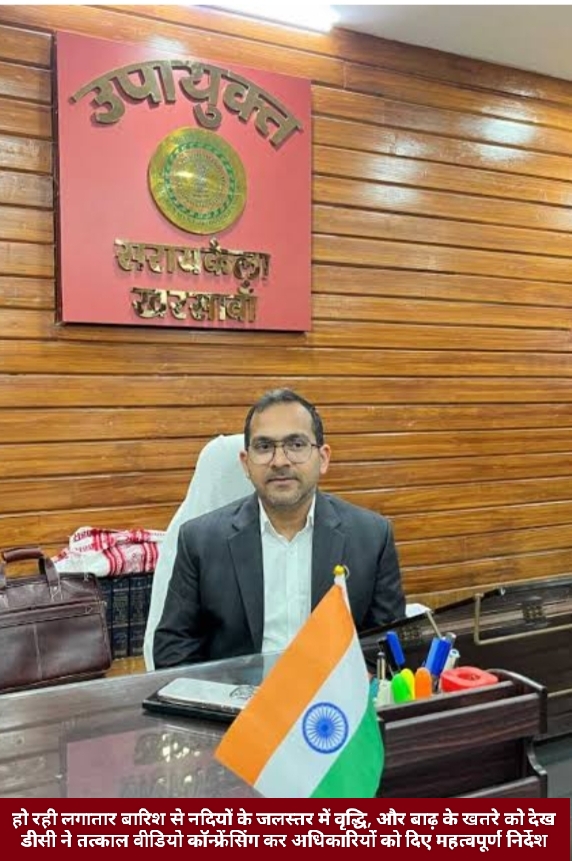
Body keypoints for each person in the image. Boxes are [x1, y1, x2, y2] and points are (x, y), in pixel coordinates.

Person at [153, 388, 405, 667]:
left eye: (296, 444)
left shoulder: (372, 537)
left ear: (323, 458)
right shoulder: (200, 541)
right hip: (237, 694)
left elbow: (388, 648)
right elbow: (173, 652)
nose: (280, 461)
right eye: (264, 447)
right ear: (246, 463)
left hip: (334, 694)